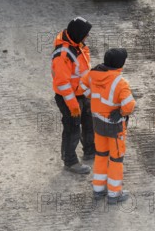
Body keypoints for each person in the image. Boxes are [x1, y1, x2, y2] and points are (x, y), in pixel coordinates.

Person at [79, 48, 135, 204]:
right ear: (120, 64)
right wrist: (121, 113)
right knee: (116, 160)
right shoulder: (120, 82)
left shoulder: (92, 74)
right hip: (114, 127)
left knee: (101, 155)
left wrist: (96, 99)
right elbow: (129, 105)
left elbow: (82, 89)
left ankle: (98, 189)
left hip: (98, 123)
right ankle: (114, 194)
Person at [52, 17, 95, 174]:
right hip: (69, 98)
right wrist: (73, 105)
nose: (88, 36)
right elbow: (63, 83)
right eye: (86, 33)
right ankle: (70, 162)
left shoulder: (78, 46)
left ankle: (90, 150)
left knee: (89, 121)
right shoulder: (63, 55)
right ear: (77, 34)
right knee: (72, 128)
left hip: (81, 93)